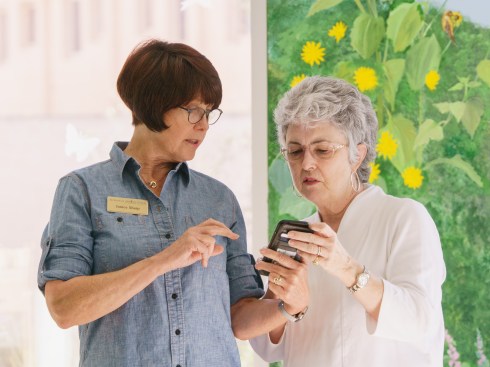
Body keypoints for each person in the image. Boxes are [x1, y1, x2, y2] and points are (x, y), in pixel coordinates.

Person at [37, 39, 269, 367]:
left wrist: (291, 304)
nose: (203, 125)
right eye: (193, 111)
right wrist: (163, 261)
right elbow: (63, 309)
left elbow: (241, 319)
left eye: (209, 113)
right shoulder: (82, 190)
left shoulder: (219, 200)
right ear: (154, 105)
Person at [250, 76, 446, 367]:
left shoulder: (404, 218)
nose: (306, 164)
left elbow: (420, 321)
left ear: (358, 155)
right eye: (294, 151)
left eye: (322, 150)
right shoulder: (295, 237)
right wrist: (282, 301)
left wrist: (347, 269)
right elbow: (269, 349)